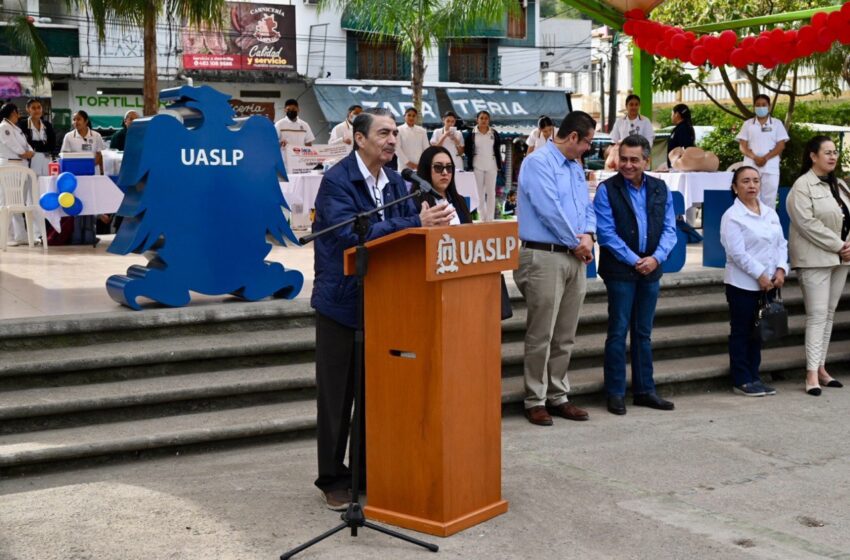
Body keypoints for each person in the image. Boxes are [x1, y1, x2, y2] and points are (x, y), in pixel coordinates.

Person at [311, 108, 455, 510]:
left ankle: (365, 471)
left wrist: (428, 223)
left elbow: (405, 227)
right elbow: (347, 236)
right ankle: (332, 478)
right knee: (338, 399)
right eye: (384, 133)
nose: (393, 140)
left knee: (377, 396)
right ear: (359, 138)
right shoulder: (338, 181)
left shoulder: (397, 182)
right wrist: (413, 224)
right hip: (341, 304)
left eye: (395, 133)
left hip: (386, 303)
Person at [513, 110, 597, 426]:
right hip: (544, 255)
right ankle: (535, 398)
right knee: (541, 333)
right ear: (573, 137)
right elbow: (550, 210)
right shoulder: (538, 162)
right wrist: (577, 242)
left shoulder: (575, 166)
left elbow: (585, 206)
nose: (588, 148)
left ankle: (558, 394)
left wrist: (588, 235)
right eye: (587, 141)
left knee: (565, 333)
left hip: (575, 255)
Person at [594, 134, 678, 415]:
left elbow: (669, 229)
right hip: (620, 271)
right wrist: (635, 260)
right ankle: (615, 392)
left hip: (650, 271)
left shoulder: (659, 188)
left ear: (646, 160)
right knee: (618, 332)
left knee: (643, 333)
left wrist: (655, 259)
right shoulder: (607, 189)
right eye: (624, 159)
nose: (628, 165)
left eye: (634, 160)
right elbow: (606, 233)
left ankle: (645, 390)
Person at [787, 135, 850, 396]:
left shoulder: (841, 185)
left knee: (829, 314)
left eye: (835, 152)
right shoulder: (802, 186)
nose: (833, 156)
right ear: (813, 156)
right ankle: (811, 374)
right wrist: (839, 245)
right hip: (815, 259)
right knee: (816, 315)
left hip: (841, 259)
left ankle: (822, 368)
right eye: (827, 152)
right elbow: (807, 223)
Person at [720, 166, 787, 396]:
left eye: (756, 181)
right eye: (746, 181)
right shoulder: (732, 217)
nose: (752, 185)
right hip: (742, 284)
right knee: (741, 331)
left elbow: (781, 243)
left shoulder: (769, 212)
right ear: (735, 187)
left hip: (769, 283)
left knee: (758, 332)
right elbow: (737, 254)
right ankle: (741, 379)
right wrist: (760, 274)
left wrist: (780, 269)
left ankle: (754, 376)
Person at [737, 94, 788, 208]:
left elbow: (781, 145)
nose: (761, 107)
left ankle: (768, 225)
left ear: (769, 107)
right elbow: (742, 146)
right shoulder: (748, 124)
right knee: (751, 197)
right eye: (758, 105)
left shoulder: (777, 123)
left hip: (770, 166)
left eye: (764, 105)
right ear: (754, 107)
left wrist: (765, 158)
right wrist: (755, 157)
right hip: (751, 165)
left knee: (770, 198)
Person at [0, 102, 35, 246]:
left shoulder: (17, 128)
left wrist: (30, 152)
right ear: (13, 113)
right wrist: (23, 153)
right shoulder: (4, 127)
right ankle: (6, 237)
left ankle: (20, 235)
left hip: (22, 166)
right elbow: (12, 145)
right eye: (17, 111)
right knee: (7, 202)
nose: (19, 114)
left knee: (19, 203)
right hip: (9, 165)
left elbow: (26, 144)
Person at [410, 146, 470, 225]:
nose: (445, 172)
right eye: (438, 167)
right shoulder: (413, 202)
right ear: (426, 169)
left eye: (449, 167)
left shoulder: (460, 201)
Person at [464, 110, 502, 222]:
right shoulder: (472, 134)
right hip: (477, 165)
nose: (484, 120)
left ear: (489, 120)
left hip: (492, 165)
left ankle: (490, 218)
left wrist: (499, 165)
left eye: (486, 118)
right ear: (477, 120)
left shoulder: (494, 133)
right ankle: (482, 217)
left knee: (491, 192)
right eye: (481, 118)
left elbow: (497, 149)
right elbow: (467, 149)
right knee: (479, 192)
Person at [19, 98, 56, 177]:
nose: (37, 110)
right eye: (33, 108)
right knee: (31, 186)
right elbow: (26, 144)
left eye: (39, 107)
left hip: (47, 161)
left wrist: (36, 145)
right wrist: (44, 144)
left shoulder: (47, 125)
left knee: (46, 185)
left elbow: (52, 145)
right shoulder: (22, 124)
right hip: (30, 162)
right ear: (28, 109)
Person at [396, 107, 430, 172]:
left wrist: (423, 163)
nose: (411, 118)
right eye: (409, 115)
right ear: (404, 116)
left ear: (416, 118)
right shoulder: (398, 130)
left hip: (419, 166)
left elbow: (426, 149)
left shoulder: (422, 131)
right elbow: (397, 149)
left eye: (414, 116)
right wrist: (408, 163)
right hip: (404, 166)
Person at [666, 103, 695, 167]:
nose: (671, 116)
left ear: (677, 114)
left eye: (672, 114)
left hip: (680, 167)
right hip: (676, 165)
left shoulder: (683, 128)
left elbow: (685, 147)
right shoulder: (681, 127)